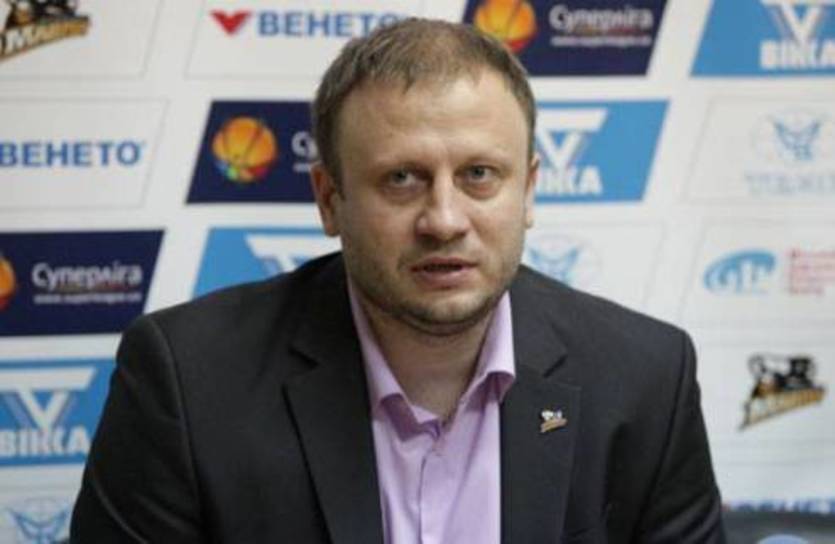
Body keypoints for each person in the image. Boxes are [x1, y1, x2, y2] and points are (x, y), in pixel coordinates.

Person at [70, 18, 725, 543]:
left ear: (527, 189)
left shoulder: (645, 378)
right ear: (329, 199)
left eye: (478, 175)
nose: (444, 220)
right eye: (401, 179)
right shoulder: (188, 381)